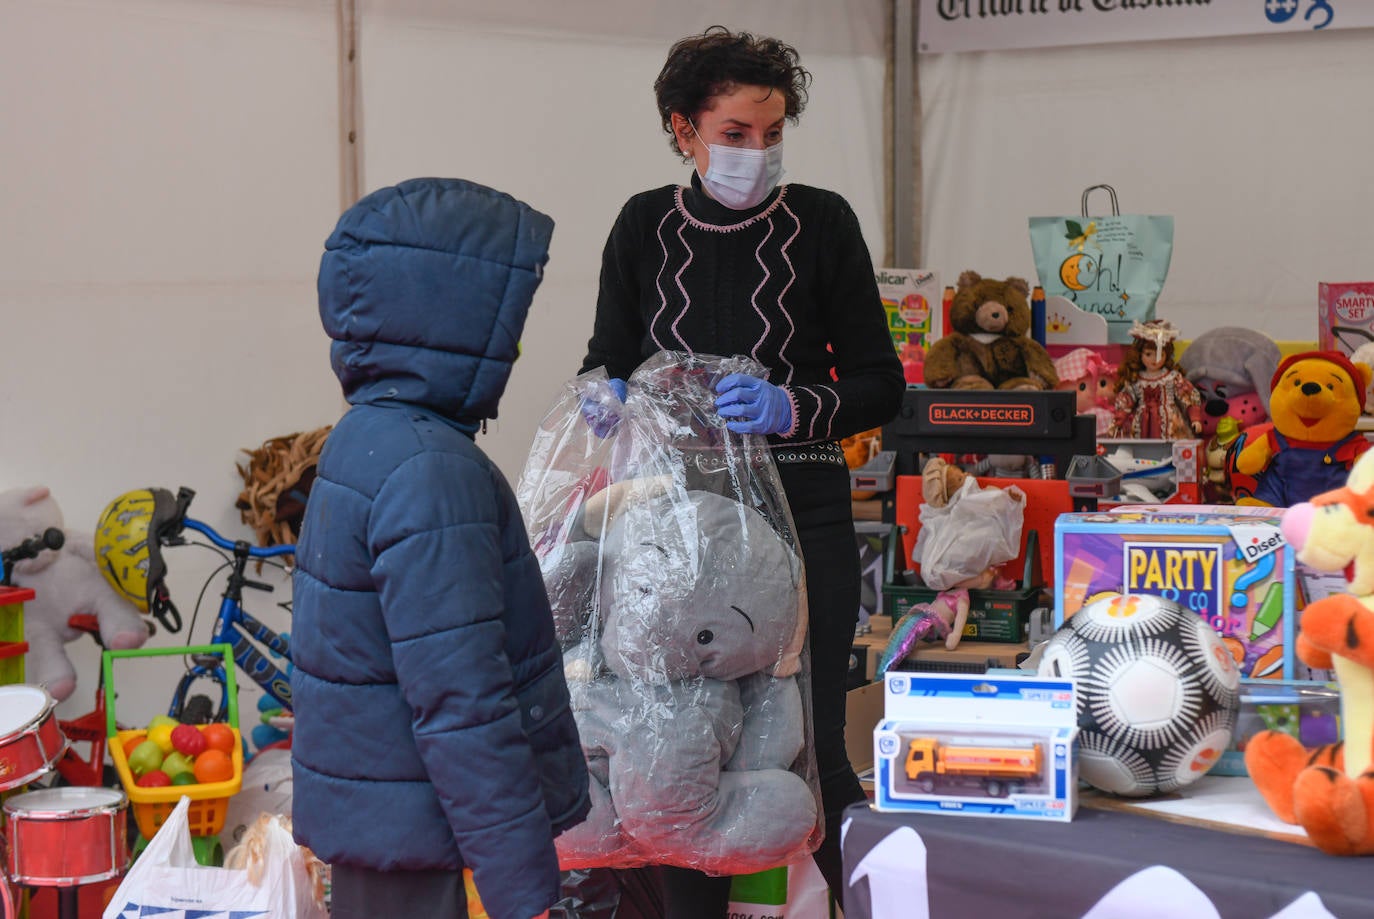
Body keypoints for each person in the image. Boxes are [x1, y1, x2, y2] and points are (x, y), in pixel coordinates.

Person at [578, 27, 905, 916]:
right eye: (733, 133)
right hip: (675, 525)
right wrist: (599, 393)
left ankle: (855, 905)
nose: (754, 153)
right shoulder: (644, 224)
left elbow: (882, 382)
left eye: (771, 133)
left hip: (803, 506)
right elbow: (606, 354)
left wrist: (794, 407)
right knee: (681, 739)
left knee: (819, 736)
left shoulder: (823, 222)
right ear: (683, 129)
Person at [291, 178, 591, 919]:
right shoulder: (431, 468)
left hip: (388, 835)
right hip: (436, 852)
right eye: (505, 313)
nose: (515, 338)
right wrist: (524, 891)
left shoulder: (367, 437)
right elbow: (462, 702)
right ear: (448, 312)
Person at [1109, 318, 1203, 439]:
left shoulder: (1171, 378)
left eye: (1160, 355)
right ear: (1140, 355)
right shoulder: (1137, 380)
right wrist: (1118, 421)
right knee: (1142, 449)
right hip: (1143, 424)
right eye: (1148, 354)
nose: (1154, 360)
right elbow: (1126, 401)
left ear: (1167, 355)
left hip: (1171, 423)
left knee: (1172, 446)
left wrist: (1195, 418)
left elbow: (1188, 395)